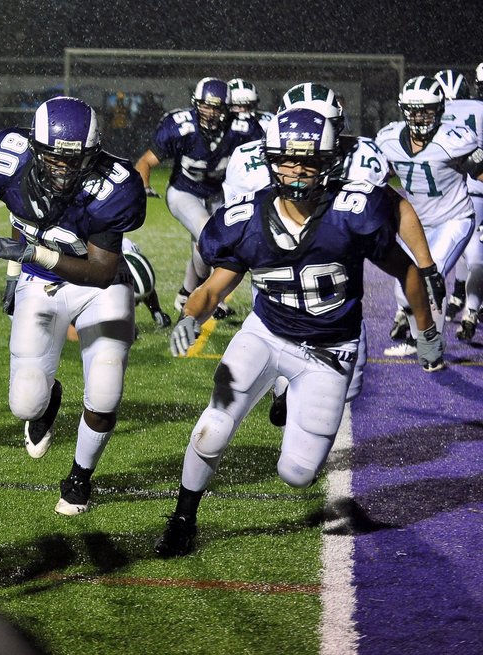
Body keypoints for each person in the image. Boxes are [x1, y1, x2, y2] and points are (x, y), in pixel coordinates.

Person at [154, 108, 442, 558]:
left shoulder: (352, 212)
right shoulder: (247, 218)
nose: (296, 171)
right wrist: (191, 316)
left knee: (297, 473)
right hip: (266, 335)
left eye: (307, 161)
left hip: (330, 352)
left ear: (329, 161)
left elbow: (405, 269)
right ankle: (182, 518)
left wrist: (426, 330)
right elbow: (214, 287)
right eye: (287, 160)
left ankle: (288, 393)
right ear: (271, 159)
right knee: (212, 426)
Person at [223, 82, 440, 425]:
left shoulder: (362, 159)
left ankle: (297, 395)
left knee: (348, 387)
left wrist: (425, 265)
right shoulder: (249, 161)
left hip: (338, 284)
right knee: (279, 345)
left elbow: (397, 207)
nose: (306, 151)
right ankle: (283, 390)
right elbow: (235, 228)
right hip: (275, 277)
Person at [0, 96, 145, 515]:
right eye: (53, 157)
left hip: (99, 289)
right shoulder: (4, 158)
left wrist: (29, 258)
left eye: (76, 159)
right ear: (34, 147)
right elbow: (16, 217)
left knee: (105, 394)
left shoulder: (116, 186)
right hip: (39, 283)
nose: (63, 167)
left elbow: (102, 271)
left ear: (94, 154)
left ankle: (79, 478)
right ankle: (49, 399)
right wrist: (17, 274)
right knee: (25, 405)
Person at [134, 78, 264, 316]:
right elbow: (145, 161)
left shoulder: (242, 128)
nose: (210, 113)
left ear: (227, 108)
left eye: (216, 107)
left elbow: (262, 157)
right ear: (196, 104)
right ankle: (204, 295)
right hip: (184, 192)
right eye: (205, 105)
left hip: (217, 193)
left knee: (205, 244)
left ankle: (186, 294)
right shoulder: (180, 126)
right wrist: (143, 185)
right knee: (208, 236)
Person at [376, 75, 483, 357]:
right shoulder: (388, 139)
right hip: (418, 224)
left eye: (426, 110)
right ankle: (422, 338)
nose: (419, 116)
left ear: (440, 110)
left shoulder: (454, 139)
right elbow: (378, 175)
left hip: (455, 219)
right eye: (413, 110)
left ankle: (428, 345)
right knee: (405, 289)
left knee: (428, 280)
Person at [433, 69, 483, 340]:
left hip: (459, 190)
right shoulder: (473, 110)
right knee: (474, 254)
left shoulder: (451, 112)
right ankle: (468, 306)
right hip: (474, 191)